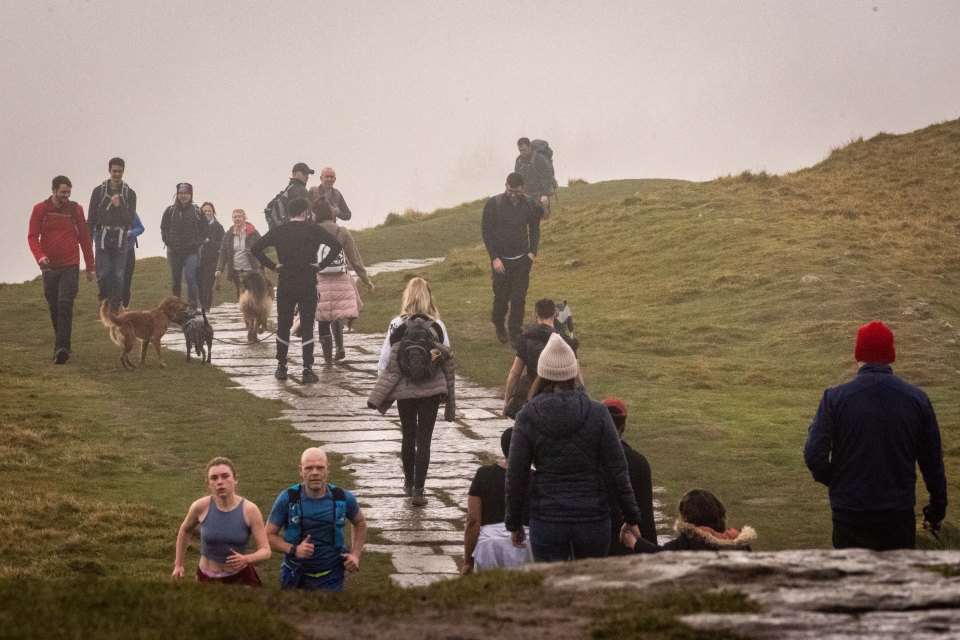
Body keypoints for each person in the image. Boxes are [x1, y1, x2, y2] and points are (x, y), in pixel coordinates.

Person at [804, 321, 948, 551]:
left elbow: (814, 455)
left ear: (857, 355)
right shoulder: (917, 400)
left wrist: (839, 481)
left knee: (853, 581)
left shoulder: (835, 399)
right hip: (897, 514)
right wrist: (936, 509)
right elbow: (932, 462)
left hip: (849, 512)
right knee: (893, 583)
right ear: (891, 355)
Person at [505, 334, 641, 561]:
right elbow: (617, 468)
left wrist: (514, 521)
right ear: (573, 372)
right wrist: (631, 515)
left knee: (552, 588)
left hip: (547, 516)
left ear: (542, 372)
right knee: (589, 587)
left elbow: (516, 473)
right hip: (592, 516)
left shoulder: (528, 415)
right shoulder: (597, 413)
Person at [368, 277, 456, 506]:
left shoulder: (396, 324)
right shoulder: (437, 325)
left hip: (403, 389)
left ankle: (407, 483)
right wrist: (433, 368)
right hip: (431, 390)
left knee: (408, 434)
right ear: (428, 296)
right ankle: (419, 489)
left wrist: (385, 387)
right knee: (424, 439)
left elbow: (385, 360)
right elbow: (446, 355)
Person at [251, 197, 341, 384]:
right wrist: (320, 264)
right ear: (305, 211)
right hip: (308, 281)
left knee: (283, 325)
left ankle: (281, 367)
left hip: (286, 282)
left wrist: (273, 265)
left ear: (289, 212)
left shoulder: (279, 231)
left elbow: (256, 248)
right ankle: (307, 369)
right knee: (308, 326)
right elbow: (336, 246)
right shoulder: (314, 229)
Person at [266, 447, 367, 592]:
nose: (315, 473)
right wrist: (295, 549)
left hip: (331, 577)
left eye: (320, 467)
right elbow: (267, 536)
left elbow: (360, 523)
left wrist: (356, 554)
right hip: (294, 576)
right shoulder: (287, 498)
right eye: (309, 468)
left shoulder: (343, 498)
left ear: (328, 470)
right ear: (300, 471)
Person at [27, 175, 95, 364]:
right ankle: (63, 342)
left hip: (70, 264)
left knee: (65, 304)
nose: (66, 195)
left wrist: (90, 267)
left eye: (69, 192)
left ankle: (61, 348)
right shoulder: (40, 209)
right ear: (54, 190)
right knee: (54, 306)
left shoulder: (76, 209)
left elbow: (85, 239)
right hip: (49, 266)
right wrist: (40, 256)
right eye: (63, 192)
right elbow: (32, 236)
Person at [172, 457, 271, 585]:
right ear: (208, 483)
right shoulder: (200, 507)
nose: (220, 482)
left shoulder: (250, 510)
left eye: (225, 476)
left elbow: (266, 550)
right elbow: (185, 530)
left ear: (235, 479)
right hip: (205, 578)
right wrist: (179, 564)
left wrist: (246, 559)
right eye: (214, 478)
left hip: (239, 579)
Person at [481, 172, 543, 343]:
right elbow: (486, 232)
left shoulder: (530, 204)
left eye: (517, 191)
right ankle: (499, 326)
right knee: (501, 298)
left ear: (523, 188)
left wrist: (532, 252)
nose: (514, 194)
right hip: (501, 260)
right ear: (505, 185)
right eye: (510, 190)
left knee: (519, 298)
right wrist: (494, 258)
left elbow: (535, 229)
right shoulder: (493, 204)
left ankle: (515, 332)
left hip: (522, 259)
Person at [462, 427, 533, 574]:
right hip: (527, 544)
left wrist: (468, 562)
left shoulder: (484, 475)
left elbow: (473, 520)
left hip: (490, 546)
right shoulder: (536, 478)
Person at [311, 199, 373, 364]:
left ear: (316, 213)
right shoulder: (342, 231)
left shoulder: (311, 231)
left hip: (319, 279)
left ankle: (327, 358)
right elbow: (354, 258)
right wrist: (365, 279)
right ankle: (340, 347)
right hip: (341, 278)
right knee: (337, 314)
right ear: (330, 213)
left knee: (323, 317)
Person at [503, 298, 581, 419]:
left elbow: (515, 373)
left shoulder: (526, 338)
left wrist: (507, 399)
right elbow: (577, 374)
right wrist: (584, 397)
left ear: (535, 314)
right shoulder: (566, 341)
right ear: (554, 314)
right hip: (560, 398)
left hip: (531, 396)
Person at [601, 397, 658, 556]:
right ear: (623, 426)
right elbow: (646, 513)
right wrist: (650, 548)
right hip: (629, 541)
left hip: (596, 540)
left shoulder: (590, 459)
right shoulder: (639, 462)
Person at [620, 489, 756, 553]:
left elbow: (658, 555)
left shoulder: (688, 542)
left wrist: (634, 542)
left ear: (688, 519)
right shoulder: (740, 542)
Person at [88, 157, 137, 311]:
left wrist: (119, 205)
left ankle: (115, 310)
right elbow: (91, 217)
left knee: (118, 275)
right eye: (114, 171)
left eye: (120, 171)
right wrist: (88, 240)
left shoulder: (130, 194)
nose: (117, 174)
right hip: (102, 234)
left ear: (123, 172)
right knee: (103, 274)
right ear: (109, 171)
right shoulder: (98, 191)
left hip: (120, 236)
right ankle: (104, 304)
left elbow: (130, 220)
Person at [160, 182, 206, 308]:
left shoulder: (197, 210)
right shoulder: (170, 210)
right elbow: (163, 228)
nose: (183, 196)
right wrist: (168, 241)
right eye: (181, 193)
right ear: (177, 194)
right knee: (176, 281)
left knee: (190, 277)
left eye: (186, 193)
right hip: (174, 251)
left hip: (192, 251)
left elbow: (204, 230)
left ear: (191, 194)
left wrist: (196, 243)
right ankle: (176, 308)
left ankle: (193, 307)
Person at [215, 209, 262, 299]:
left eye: (239, 216)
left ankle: (254, 311)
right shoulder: (228, 235)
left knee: (253, 293)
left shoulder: (254, 232)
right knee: (241, 294)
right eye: (234, 217)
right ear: (232, 219)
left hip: (251, 268)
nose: (237, 219)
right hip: (235, 269)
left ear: (244, 218)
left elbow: (262, 248)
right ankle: (244, 311)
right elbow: (223, 252)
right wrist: (219, 269)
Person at [514, 137, 556, 217]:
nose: (522, 152)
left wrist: (545, 194)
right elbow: (517, 178)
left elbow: (547, 176)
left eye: (524, 150)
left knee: (543, 219)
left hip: (540, 195)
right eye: (520, 150)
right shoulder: (518, 160)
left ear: (529, 147)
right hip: (526, 195)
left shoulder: (539, 158)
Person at [197, 202, 225, 312]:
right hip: (198, 261)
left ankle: (206, 310)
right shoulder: (196, 226)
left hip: (212, 261)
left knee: (207, 287)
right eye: (205, 211)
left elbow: (222, 244)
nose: (207, 213)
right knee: (199, 286)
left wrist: (209, 241)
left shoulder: (218, 227)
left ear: (213, 212)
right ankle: (203, 308)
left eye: (210, 210)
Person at [121, 211, 145, 309]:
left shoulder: (131, 211)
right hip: (111, 252)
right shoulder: (106, 210)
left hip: (128, 250)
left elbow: (140, 228)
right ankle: (113, 307)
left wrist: (132, 232)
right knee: (114, 279)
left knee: (127, 280)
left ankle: (125, 306)